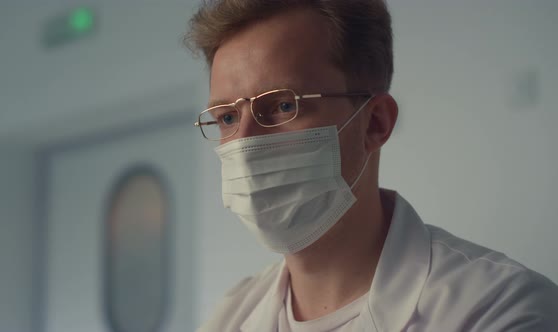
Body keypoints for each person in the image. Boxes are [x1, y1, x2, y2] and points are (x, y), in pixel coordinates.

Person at [184, 1, 558, 331]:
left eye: (284, 105)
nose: (247, 141)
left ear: (375, 122)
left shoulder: (498, 309)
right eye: (228, 117)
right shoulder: (228, 319)